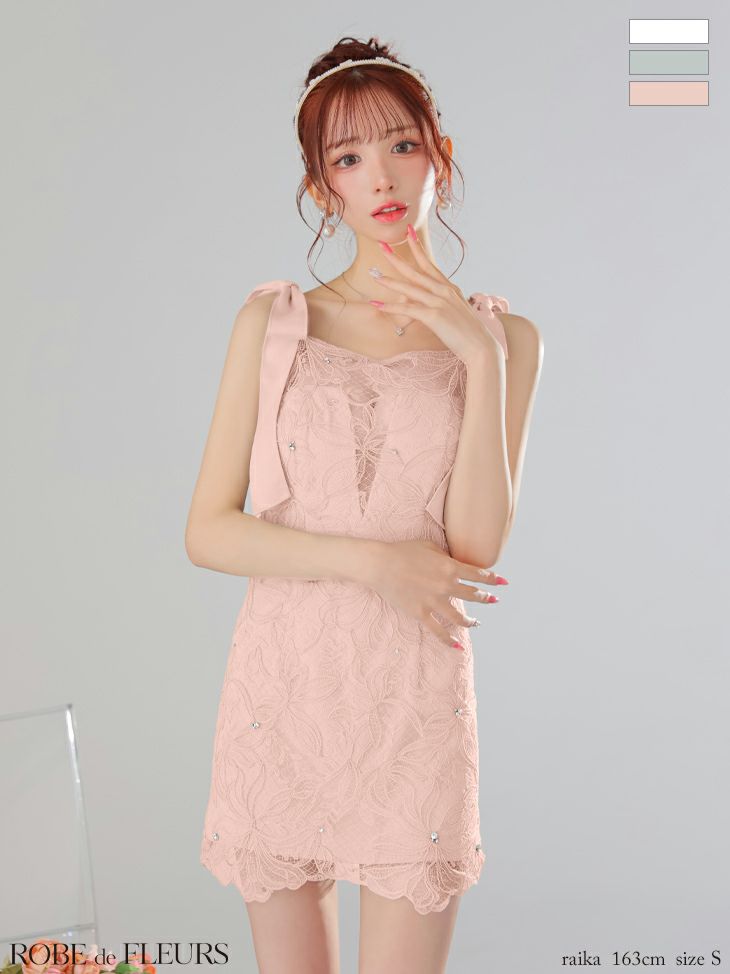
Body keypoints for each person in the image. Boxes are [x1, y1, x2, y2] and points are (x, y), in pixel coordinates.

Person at [186, 33, 543, 974]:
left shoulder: (507, 340)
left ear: (438, 157)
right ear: (322, 188)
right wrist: (374, 562)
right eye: (347, 158)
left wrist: (478, 356)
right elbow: (208, 531)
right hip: (284, 689)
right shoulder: (276, 323)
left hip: (415, 697)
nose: (379, 175)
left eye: (401, 144)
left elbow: (474, 544)